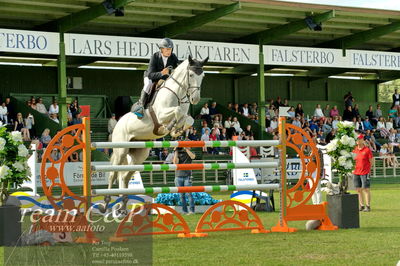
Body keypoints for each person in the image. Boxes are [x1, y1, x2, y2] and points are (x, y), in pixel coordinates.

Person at [133, 38, 179, 118]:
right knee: (147, 85)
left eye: (170, 49)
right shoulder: (154, 57)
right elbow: (150, 74)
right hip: (151, 78)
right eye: (167, 49)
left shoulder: (173, 56)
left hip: (164, 79)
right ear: (161, 49)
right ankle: (140, 107)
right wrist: (161, 73)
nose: (169, 51)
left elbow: (178, 67)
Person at [353, 134, 373, 212]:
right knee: (358, 189)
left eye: (359, 139)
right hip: (356, 172)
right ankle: (361, 205)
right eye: (357, 139)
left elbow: (371, 161)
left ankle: (367, 206)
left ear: (363, 140)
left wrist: (369, 170)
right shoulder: (354, 150)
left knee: (366, 189)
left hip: (365, 172)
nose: (358, 141)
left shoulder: (367, 150)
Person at [173, 146, 196, 214]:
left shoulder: (191, 152)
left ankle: (192, 211)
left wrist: (186, 149)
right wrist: (176, 151)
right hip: (178, 176)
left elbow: (193, 157)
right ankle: (184, 211)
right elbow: (175, 162)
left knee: (189, 194)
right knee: (181, 195)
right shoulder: (178, 153)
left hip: (187, 176)